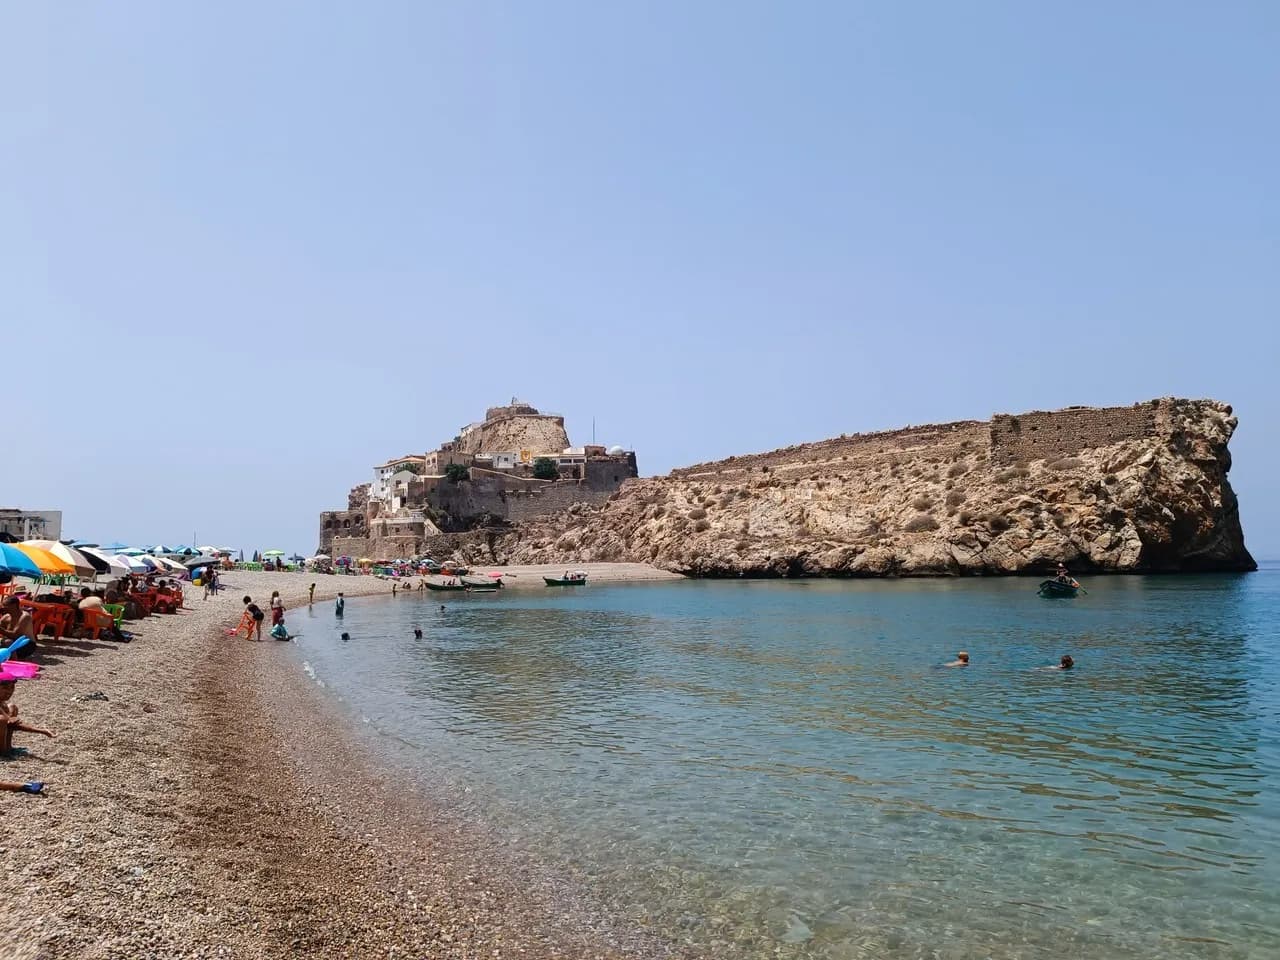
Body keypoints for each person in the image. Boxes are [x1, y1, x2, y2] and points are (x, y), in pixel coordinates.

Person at [1, 677, 54, 755]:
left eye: (12, 687)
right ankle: (3, 752)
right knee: (2, 719)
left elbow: (11, 723)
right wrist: (41, 731)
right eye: (5, 688)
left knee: (12, 707)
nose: (9, 691)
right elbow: (11, 723)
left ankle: (8, 747)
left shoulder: (3, 703)